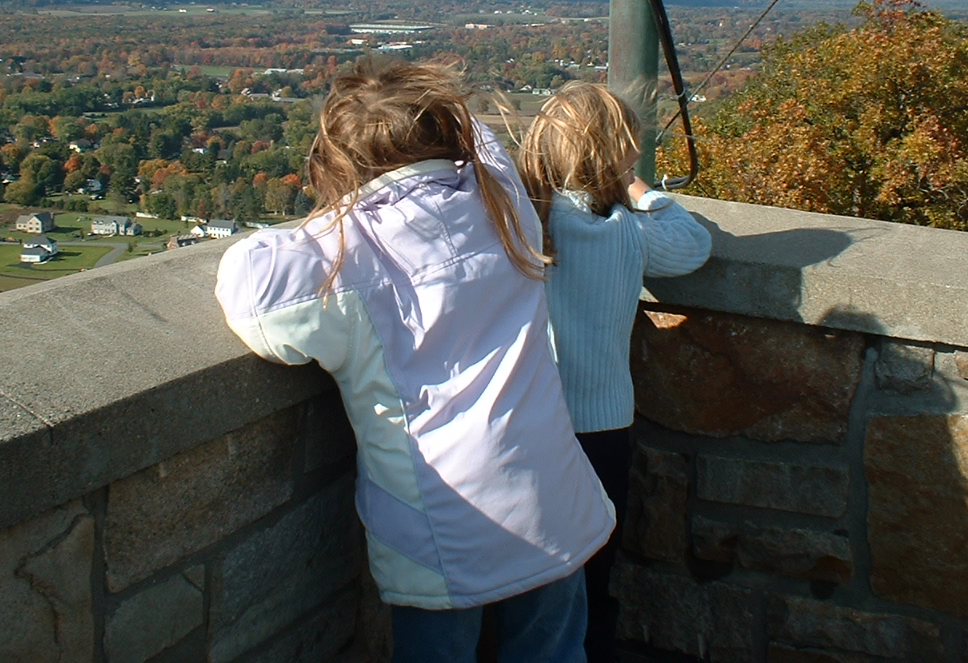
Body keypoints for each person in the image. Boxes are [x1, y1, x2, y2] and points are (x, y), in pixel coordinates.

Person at [214, 58, 615, 663]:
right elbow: (484, 138)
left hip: (444, 527)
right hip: (552, 497)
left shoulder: (346, 257)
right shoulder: (506, 203)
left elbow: (252, 293)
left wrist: (337, 207)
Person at [518, 82, 712, 663]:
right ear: (616, 153)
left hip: (524, 424)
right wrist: (639, 189)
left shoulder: (519, 225)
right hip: (599, 428)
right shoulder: (621, 231)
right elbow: (692, 246)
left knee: (528, 582)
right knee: (590, 577)